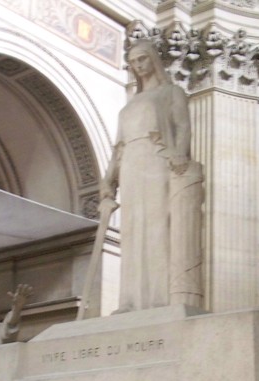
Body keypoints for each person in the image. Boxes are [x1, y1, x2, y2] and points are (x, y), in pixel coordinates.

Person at [100, 40, 204, 312]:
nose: (138, 65)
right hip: (130, 166)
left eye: (143, 59)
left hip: (158, 160)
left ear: (153, 60)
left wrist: (180, 154)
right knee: (132, 231)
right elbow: (118, 146)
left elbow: (182, 126)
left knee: (158, 226)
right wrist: (108, 180)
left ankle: (160, 297)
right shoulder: (130, 104)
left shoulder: (171, 93)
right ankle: (129, 300)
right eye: (133, 62)